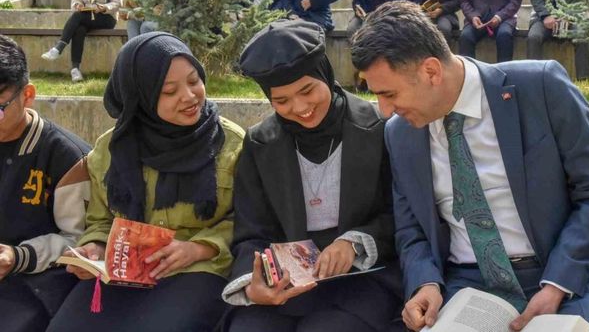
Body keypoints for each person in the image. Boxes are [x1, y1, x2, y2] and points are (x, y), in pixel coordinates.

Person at [350, 1, 589, 332]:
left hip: (567, 275)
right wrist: (425, 283)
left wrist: (558, 284)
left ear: (431, 71)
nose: (384, 111)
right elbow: (411, 229)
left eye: (389, 94)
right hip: (468, 287)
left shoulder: (541, 87)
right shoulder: (400, 134)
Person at [47, 32, 245, 332]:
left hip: (197, 268)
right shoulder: (112, 148)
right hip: (123, 270)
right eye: (169, 91)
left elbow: (250, 220)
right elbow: (101, 221)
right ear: (142, 97)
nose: (190, 96)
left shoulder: (231, 144)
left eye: (194, 81)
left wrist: (200, 248)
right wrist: (94, 249)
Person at [222, 19, 403, 332]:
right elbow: (251, 231)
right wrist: (255, 284)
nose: (301, 107)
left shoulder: (377, 128)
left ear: (325, 73)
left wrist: (354, 243)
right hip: (288, 284)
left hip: (362, 280)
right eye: (282, 101)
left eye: (307, 90)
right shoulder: (260, 143)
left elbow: (400, 213)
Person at [0, 34, 91, 332]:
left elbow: (81, 239)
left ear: (28, 95)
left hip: (38, 282)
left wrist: (17, 256)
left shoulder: (68, 157)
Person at [40, 0, 122, 83]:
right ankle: (75, 70)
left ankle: (59, 47)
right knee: (79, 28)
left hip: (106, 17)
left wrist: (103, 8)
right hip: (87, 16)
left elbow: (117, 2)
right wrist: (77, 5)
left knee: (78, 17)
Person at [527, 0, 589, 81]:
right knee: (533, 38)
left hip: (570, 17)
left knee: (581, 37)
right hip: (542, 18)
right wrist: (546, 15)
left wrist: (567, 15)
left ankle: (583, 79)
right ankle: (533, 79)